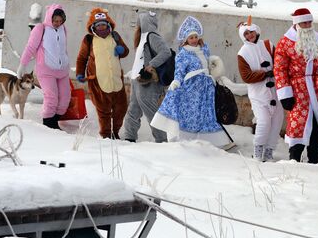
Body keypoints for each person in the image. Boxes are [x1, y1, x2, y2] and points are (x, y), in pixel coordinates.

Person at [151, 16, 230, 147]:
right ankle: (185, 139)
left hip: (206, 88)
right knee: (191, 114)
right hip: (191, 88)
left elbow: (206, 64)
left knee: (205, 113)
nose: (194, 40)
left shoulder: (204, 49)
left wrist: (214, 66)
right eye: (191, 37)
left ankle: (208, 140)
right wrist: (176, 81)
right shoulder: (183, 54)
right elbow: (180, 70)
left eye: (195, 36)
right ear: (186, 40)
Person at [274, 8, 318, 163]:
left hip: (316, 90)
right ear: (297, 24)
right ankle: (295, 159)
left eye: (309, 22)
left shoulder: (317, 38)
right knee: (298, 125)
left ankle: (314, 159)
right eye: (304, 22)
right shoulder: (285, 42)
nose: (308, 25)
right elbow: (279, 68)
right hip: (298, 90)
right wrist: (285, 94)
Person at [76, 8, 130, 139]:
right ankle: (106, 135)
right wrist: (80, 72)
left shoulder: (115, 36)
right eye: (98, 25)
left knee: (121, 109)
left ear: (108, 24)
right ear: (93, 26)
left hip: (116, 80)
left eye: (104, 24)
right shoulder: (88, 40)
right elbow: (82, 58)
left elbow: (125, 52)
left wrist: (121, 49)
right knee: (103, 111)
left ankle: (115, 132)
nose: (101, 27)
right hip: (98, 82)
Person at [237, 16, 283, 161]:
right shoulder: (242, 53)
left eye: (251, 32)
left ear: (256, 31)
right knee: (263, 122)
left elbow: (279, 63)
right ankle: (258, 151)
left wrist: (275, 72)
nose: (250, 35)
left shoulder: (269, 45)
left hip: (275, 92)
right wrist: (264, 74)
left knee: (277, 122)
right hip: (258, 94)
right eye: (246, 34)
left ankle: (269, 152)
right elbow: (246, 76)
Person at [17, 4, 70, 129]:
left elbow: (62, 49)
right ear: (49, 18)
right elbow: (30, 47)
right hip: (46, 70)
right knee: (51, 98)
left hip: (63, 71)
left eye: (60, 21)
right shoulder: (41, 28)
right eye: (55, 20)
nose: (58, 23)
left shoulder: (64, 29)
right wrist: (22, 65)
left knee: (65, 99)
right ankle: (49, 125)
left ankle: (54, 121)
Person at [122, 10, 171, 143]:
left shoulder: (152, 36)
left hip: (147, 81)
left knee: (152, 112)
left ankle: (162, 141)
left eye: (139, 22)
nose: (137, 25)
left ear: (144, 22)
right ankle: (129, 138)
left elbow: (166, 52)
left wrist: (151, 65)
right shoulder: (142, 37)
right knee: (133, 111)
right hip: (136, 79)